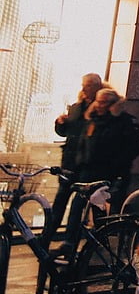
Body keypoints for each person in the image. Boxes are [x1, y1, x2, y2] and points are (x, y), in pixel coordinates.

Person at [48, 73, 104, 234]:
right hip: (70, 162)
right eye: (83, 85)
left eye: (87, 85)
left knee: (80, 205)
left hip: (87, 165)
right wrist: (60, 123)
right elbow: (65, 132)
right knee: (60, 200)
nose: (84, 88)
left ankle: (71, 239)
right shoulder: (76, 107)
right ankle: (47, 235)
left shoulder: (101, 110)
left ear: (96, 87)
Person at [76, 87, 139, 211]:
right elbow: (83, 143)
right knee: (78, 207)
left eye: (103, 102)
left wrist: (117, 164)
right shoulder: (93, 119)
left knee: (112, 209)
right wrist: (81, 163)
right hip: (89, 172)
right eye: (98, 101)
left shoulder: (125, 121)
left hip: (114, 173)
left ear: (112, 104)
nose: (99, 105)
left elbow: (135, 146)